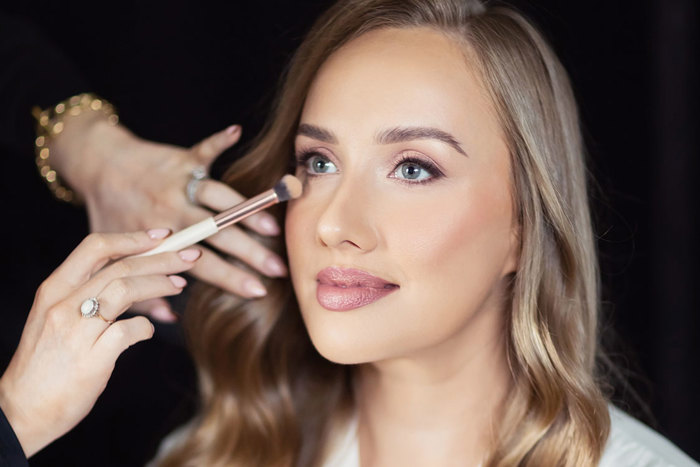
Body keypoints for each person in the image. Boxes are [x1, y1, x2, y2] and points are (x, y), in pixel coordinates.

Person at [146, 0, 697, 466]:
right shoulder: (212, 455)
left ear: (524, 229)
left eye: (413, 168)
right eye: (319, 162)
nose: (334, 224)